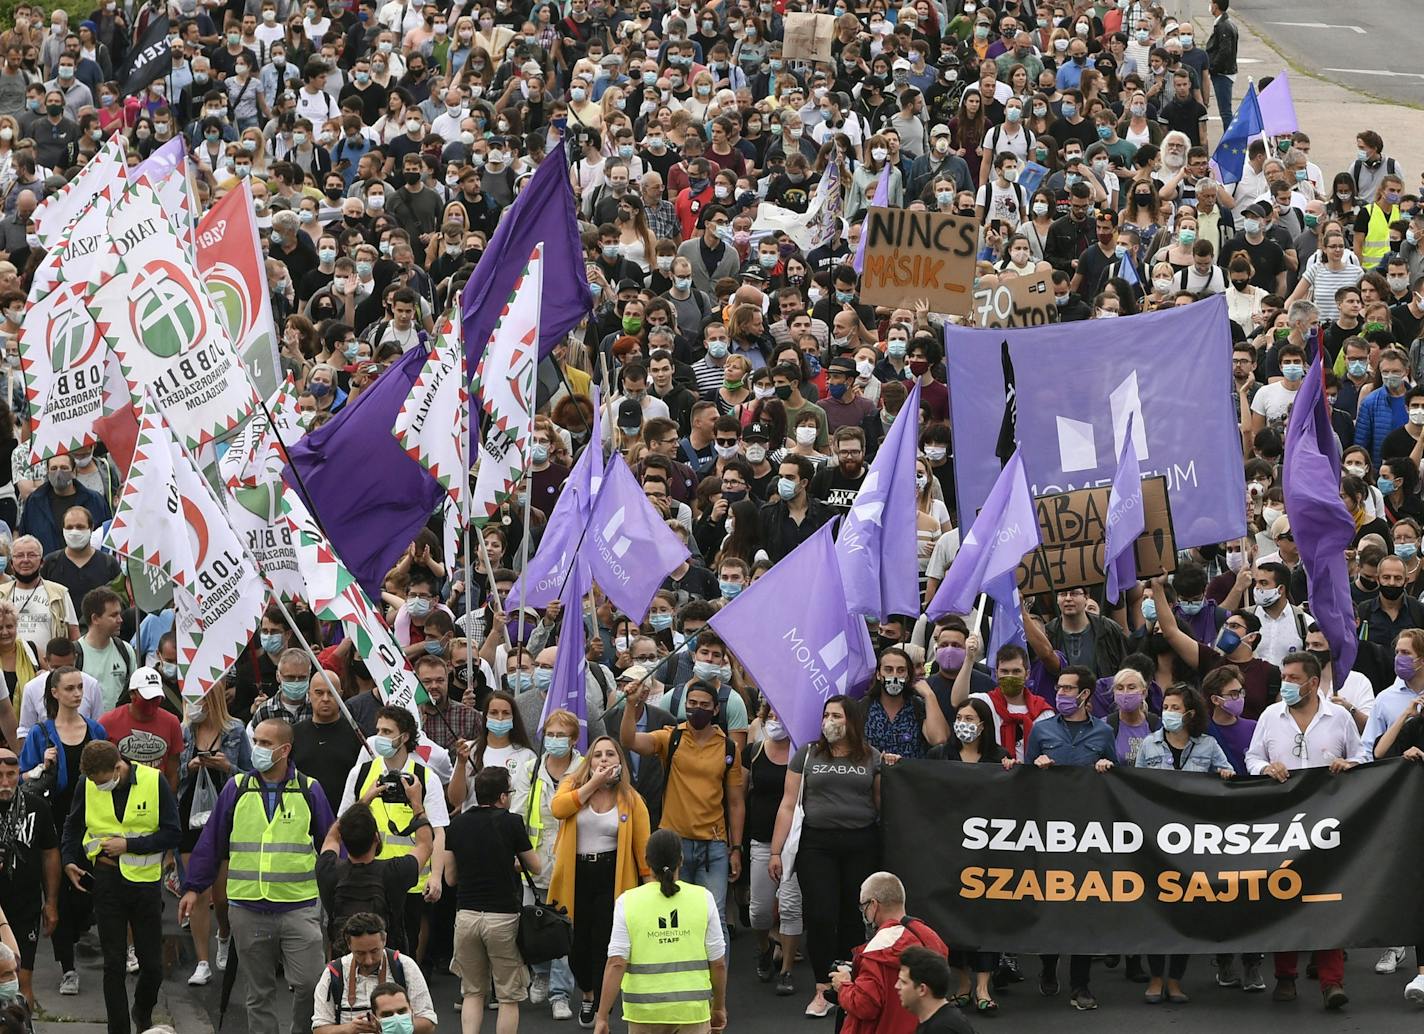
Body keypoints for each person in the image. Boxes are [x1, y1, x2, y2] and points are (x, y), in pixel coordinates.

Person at [178, 717, 335, 1034]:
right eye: (257, 741)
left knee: (310, 985)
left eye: (265, 743)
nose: (258, 749)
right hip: (248, 907)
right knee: (258, 992)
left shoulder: (309, 789)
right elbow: (211, 841)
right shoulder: (236, 789)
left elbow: (331, 845)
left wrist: (341, 895)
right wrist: (194, 888)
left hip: (299, 907)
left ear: (285, 749)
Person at [1244, 651, 1367, 1010]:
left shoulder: (1339, 718)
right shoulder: (1270, 716)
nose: (1286, 684)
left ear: (1313, 683)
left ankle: (1332, 982)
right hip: (1283, 824)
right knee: (1283, 897)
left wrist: (1350, 764)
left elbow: (1363, 758)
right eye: (1284, 676)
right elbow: (1252, 759)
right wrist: (1267, 768)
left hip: (1330, 822)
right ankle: (1285, 976)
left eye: (1294, 678)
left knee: (1327, 899)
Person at [769, 696, 881, 1018]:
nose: (830, 721)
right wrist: (775, 851)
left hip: (861, 842)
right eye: (827, 715)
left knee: (852, 916)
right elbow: (788, 804)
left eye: (837, 715)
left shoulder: (870, 756)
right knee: (820, 915)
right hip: (816, 844)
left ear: (852, 722)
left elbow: (880, 804)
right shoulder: (807, 755)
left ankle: (846, 985)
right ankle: (821, 988)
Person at [59, 739, 180, 1034]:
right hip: (107, 881)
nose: (98, 786)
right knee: (113, 964)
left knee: (151, 966)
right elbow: (73, 826)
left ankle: (142, 1009)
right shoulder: (86, 784)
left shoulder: (154, 781)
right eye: (93, 781)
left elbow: (172, 834)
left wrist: (129, 845)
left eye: (102, 781)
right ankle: (118, 1029)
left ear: (118, 767)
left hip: (145, 885)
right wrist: (68, 860)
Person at [1133, 683, 1233, 1002]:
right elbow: (1134, 787)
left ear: (1190, 714)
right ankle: (1156, 978)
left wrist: (1225, 776)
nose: (1168, 713)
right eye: (1166, 707)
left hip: (1193, 842)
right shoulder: (1149, 744)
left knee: (1185, 912)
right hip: (1155, 840)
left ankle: (1175, 979)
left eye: (1175, 708)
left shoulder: (1207, 745)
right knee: (1154, 910)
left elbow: (1227, 773)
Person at [1025, 665, 1116, 1010]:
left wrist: (1109, 770)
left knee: (1084, 908)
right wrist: (1037, 766)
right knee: (1050, 903)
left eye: (1067, 689)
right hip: (1048, 832)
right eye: (1059, 688)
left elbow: (1119, 784)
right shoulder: (1042, 728)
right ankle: (1049, 966)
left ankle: (1081, 984)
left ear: (1085, 695)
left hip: (1088, 834)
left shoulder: (1103, 734)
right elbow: (1023, 778)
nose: (1060, 694)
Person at [620, 679, 744, 931]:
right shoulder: (671, 737)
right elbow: (629, 740)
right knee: (676, 916)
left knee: (714, 919)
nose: (697, 709)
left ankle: (718, 972)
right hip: (674, 845)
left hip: (714, 846)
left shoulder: (728, 747)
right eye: (692, 703)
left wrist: (736, 848)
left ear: (715, 710)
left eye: (704, 705)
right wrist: (630, 706)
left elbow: (735, 802)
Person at [547, 734, 651, 1027]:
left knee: (603, 940)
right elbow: (559, 808)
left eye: (610, 755)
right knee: (576, 943)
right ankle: (588, 990)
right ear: (589, 761)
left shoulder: (630, 798)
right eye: (598, 755)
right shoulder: (573, 786)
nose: (604, 760)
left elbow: (643, 848)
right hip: (577, 874)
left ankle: (598, 1001)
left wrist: (648, 885)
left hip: (611, 876)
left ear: (620, 761)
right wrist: (592, 784)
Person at [16, 667, 104, 997]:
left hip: (90, 823)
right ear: (55, 693)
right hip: (52, 822)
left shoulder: (95, 730)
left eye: (80, 687)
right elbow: (22, 779)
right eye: (69, 688)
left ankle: (82, 932)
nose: (77, 694)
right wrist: (42, 764)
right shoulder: (42, 733)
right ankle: (67, 967)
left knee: (85, 896)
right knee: (59, 897)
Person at [338, 704, 449, 960]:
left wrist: (436, 876)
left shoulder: (424, 776)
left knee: (404, 949)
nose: (379, 737)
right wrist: (365, 799)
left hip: (410, 882)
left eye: (387, 731)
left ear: (405, 737)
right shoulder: (362, 772)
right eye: (378, 730)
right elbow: (343, 822)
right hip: (367, 876)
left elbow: (439, 831)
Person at [592, 828, 726, 1034]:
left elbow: (616, 962)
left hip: (644, 1013)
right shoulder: (703, 898)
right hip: (692, 1012)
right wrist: (718, 1006)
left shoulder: (627, 902)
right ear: (681, 860)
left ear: (647, 861)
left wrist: (602, 1016)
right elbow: (717, 963)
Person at [442, 765, 542, 1034]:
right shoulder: (511, 822)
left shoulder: (457, 824)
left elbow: (450, 878)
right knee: (509, 996)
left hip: (466, 916)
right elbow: (536, 866)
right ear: (502, 797)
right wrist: (511, 865)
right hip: (503, 918)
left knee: (472, 992)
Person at [176, 683, 249, 986]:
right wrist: (189, 767)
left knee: (222, 894)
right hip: (190, 812)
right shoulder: (183, 731)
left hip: (225, 811)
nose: (194, 705)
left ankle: (224, 932)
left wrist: (226, 765)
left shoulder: (235, 730)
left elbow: (249, 772)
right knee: (197, 890)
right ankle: (202, 961)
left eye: (199, 698)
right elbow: (174, 772)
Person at [519, 708, 584, 1021]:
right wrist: (516, 855)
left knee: (563, 931)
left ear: (573, 740)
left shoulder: (585, 770)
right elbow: (517, 816)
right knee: (534, 925)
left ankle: (560, 994)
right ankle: (540, 974)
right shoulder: (531, 769)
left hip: (571, 863)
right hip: (534, 863)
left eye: (562, 735)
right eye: (551, 734)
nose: (555, 740)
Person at [832, 871, 949, 1034]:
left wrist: (843, 986)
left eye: (863, 906)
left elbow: (865, 1006)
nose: (863, 912)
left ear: (873, 905)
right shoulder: (929, 938)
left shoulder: (878, 950)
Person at [317, 798, 430, 956]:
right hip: (387, 965)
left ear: (343, 839)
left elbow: (331, 837)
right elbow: (425, 845)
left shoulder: (328, 869)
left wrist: (362, 802)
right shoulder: (395, 871)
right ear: (376, 838)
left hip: (344, 965)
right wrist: (416, 803)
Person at [743, 707, 801, 997]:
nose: (777, 720)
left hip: (795, 842)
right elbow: (740, 793)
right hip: (761, 839)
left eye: (783, 714)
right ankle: (765, 947)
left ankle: (787, 968)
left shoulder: (803, 751)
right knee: (759, 912)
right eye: (773, 715)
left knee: (791, 908)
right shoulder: (753, 750)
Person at [311, 912, 438, 1034]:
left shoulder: (405, 966)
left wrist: (393, 1026)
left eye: (374, 951)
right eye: (360, 953)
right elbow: (319, 1029)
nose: (368, 960)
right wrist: (349, 1029)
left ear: (384, 940)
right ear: (349, 944)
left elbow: (429, 1023)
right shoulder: (334, 973)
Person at [0, 748, 58, 1009]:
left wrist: (52, 902)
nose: (5, 783)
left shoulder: (37, 807)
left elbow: (50, 854)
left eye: (11, 775)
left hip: (25, 906)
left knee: (21, 981)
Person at [895, 946, 976, 1034]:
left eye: (903, 982)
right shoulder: (945, 1020)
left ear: (922, 989)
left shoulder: (940, 1029)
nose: (897, 986)